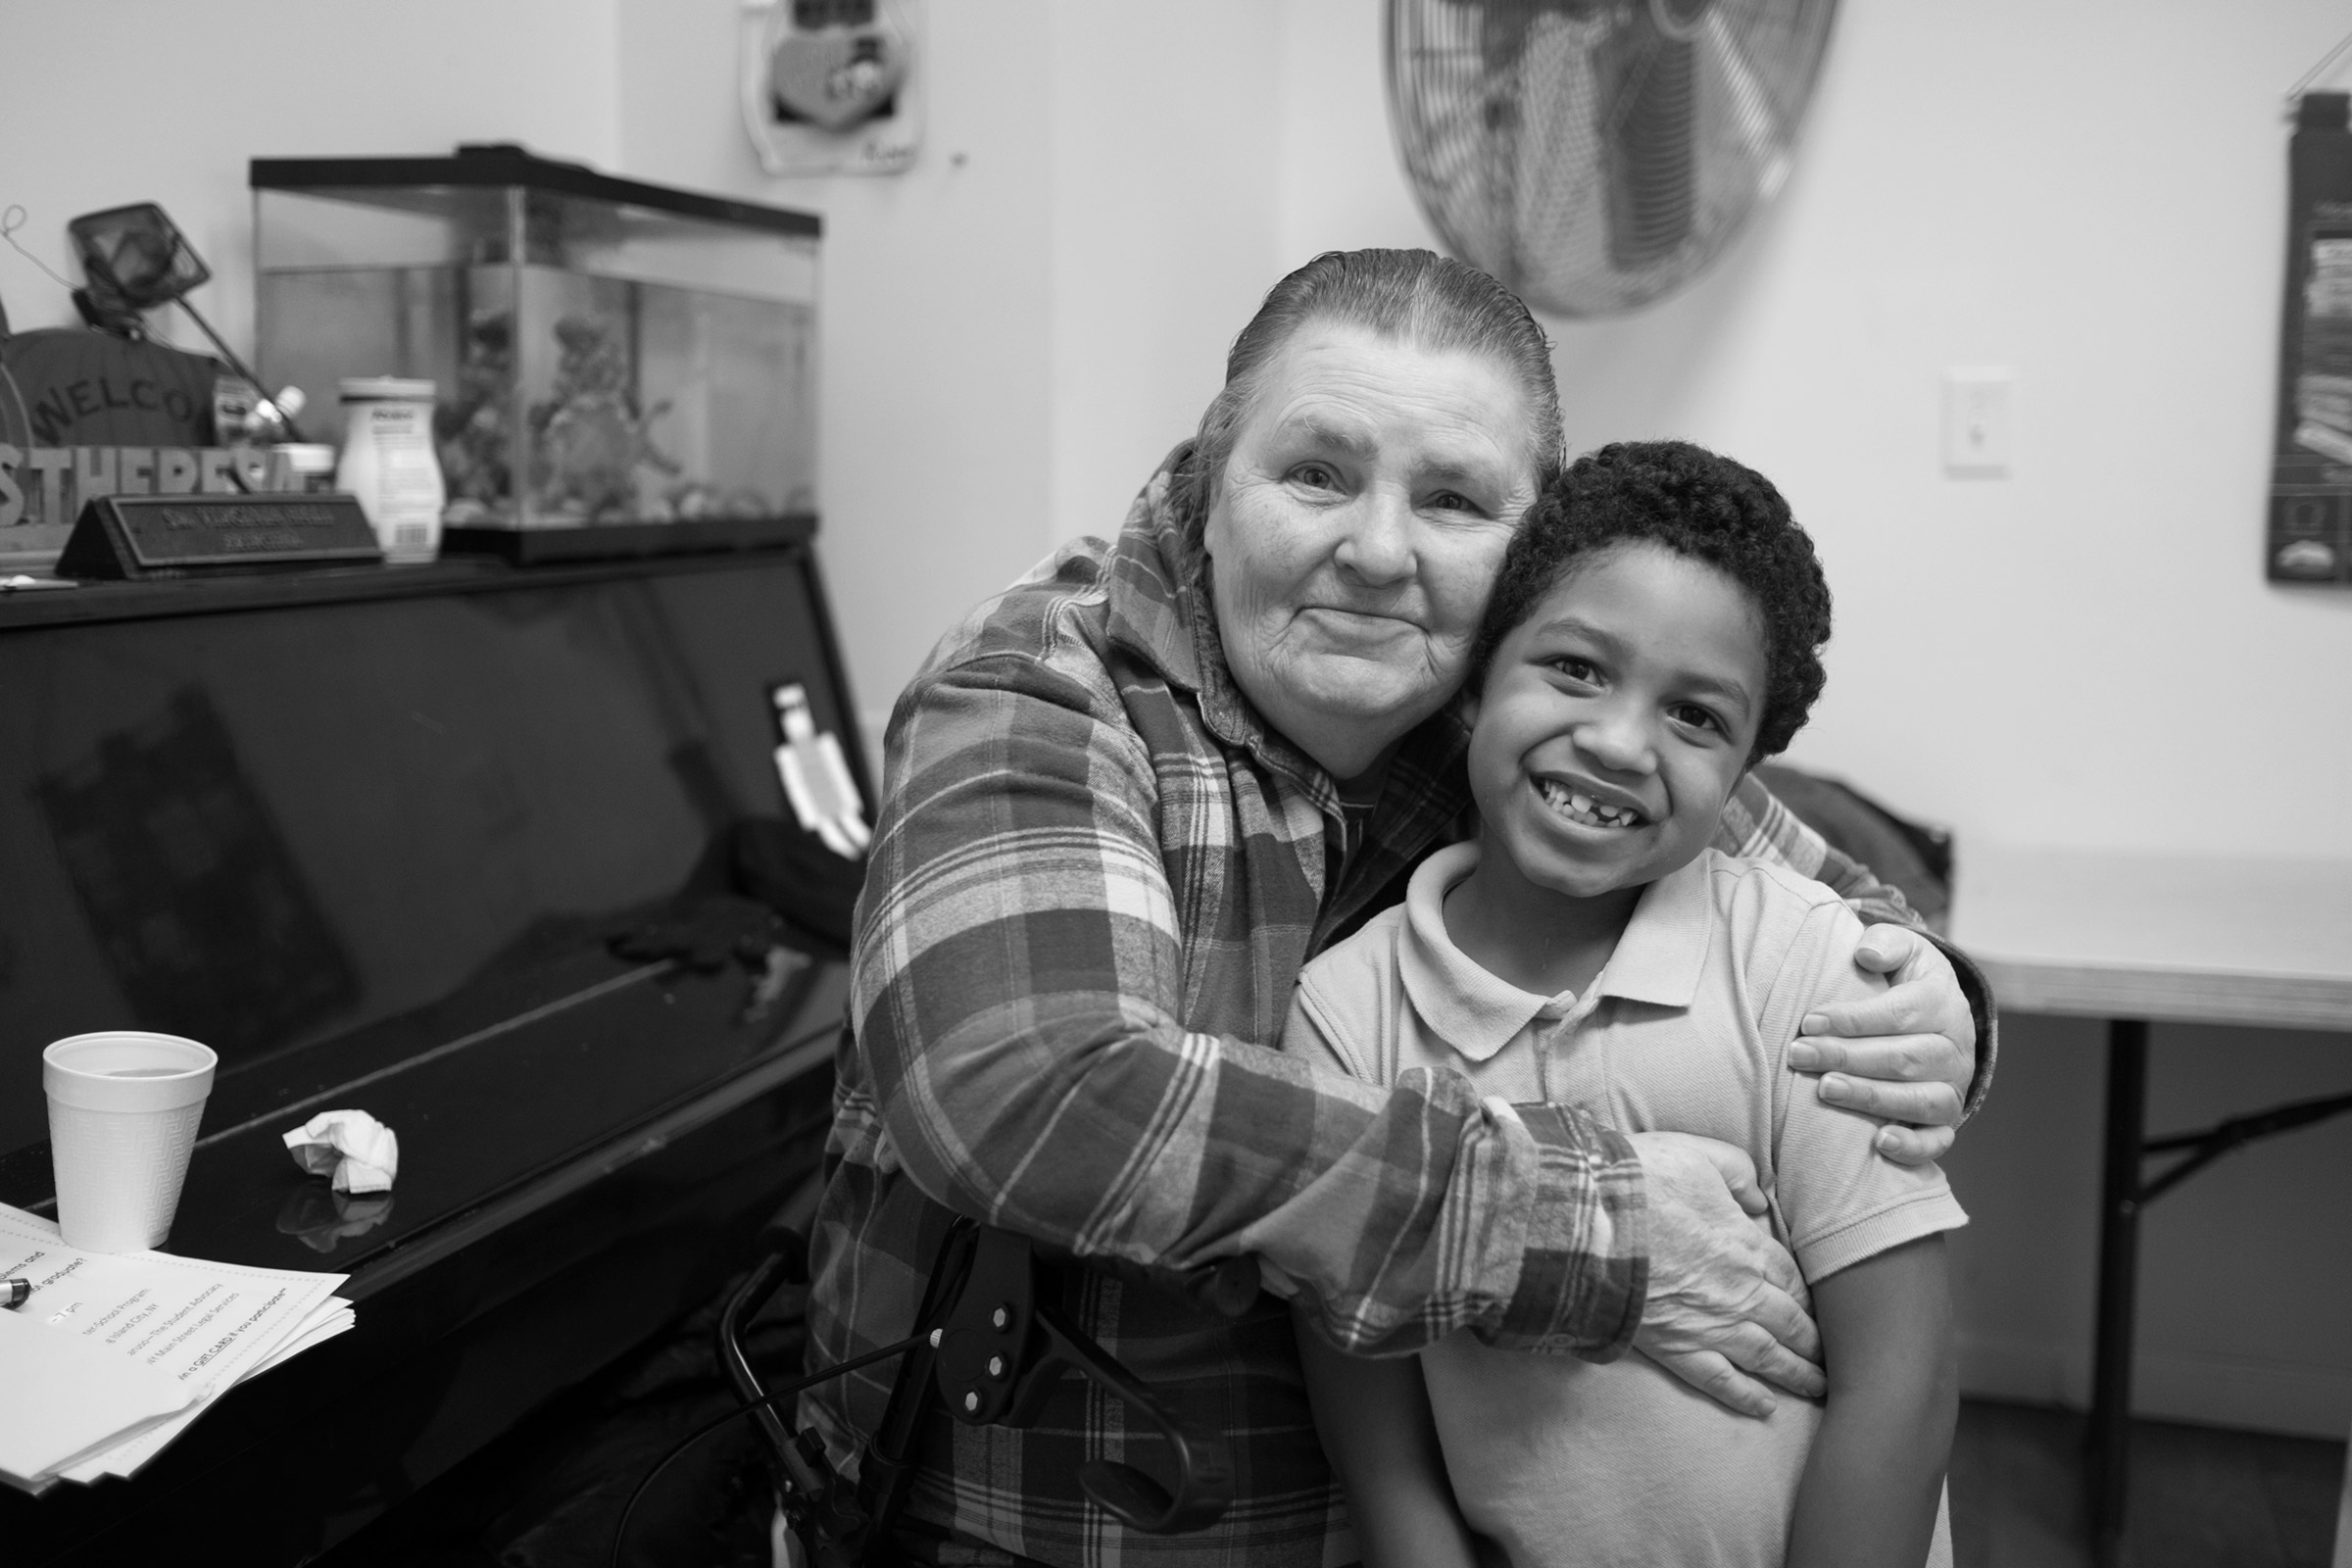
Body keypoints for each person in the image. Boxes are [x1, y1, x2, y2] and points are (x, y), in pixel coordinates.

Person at [803, 249, 1990, 1567]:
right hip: (1051, 1527)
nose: (1376, 551)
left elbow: (1835, 902)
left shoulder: (1508, 700)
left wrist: (1936, 1001)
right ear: (1208, 481)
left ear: (1534, 548)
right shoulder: (1039, 685)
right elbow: (1028, 1091)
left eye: (1453, 499)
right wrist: (1594, 1228)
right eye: (1316, 472)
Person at [1287, 440, 1964, 1568]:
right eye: (1575, 669)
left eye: (1697, 717)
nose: (1616, 741)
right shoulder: (1345, 1011)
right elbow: (1373, 1419)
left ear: (1750, 763)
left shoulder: (1810, 966)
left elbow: (1904, 1380)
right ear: (1478, 676)